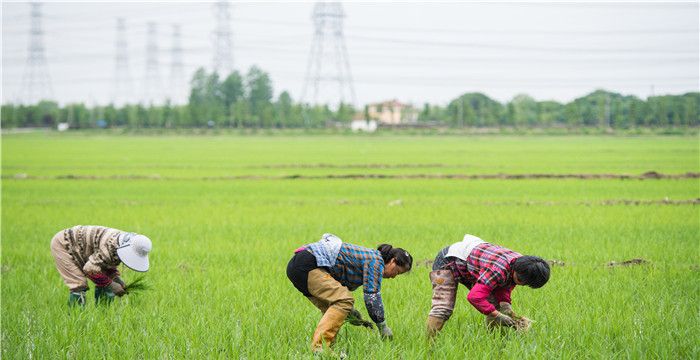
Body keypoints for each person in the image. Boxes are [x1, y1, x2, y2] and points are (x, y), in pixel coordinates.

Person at [286, 233, 412, 352]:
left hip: (296, 267)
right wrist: (382, 327)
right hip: (308, 264)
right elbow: (372, 297)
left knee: (333, 307)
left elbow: (336, 293)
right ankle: (319, 348)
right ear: (393, 261)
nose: (394, 276)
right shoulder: (376, 260)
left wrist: (351, 314)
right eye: (397, 271)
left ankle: (327, 350)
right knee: (344, 300)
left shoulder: (370, 259)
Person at [426, 234, 550, 337]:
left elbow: (505, 284)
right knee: (442, 307)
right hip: (448, 261)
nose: (521, 284)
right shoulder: (498, 269)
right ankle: (428, 349)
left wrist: (505, 305)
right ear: (516, 270)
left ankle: (493, 341)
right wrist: (496, 315)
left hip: (470, 267)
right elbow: (474, 297)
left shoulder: (522, 264)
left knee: (495, 305)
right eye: (520, 280)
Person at [50, 225, 152, 306]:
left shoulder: (124, 242)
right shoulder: (110, 247)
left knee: (105, 280)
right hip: (65, 244)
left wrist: (116, 278)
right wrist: (111, 284)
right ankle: (74, 318)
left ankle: (103, 315)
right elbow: (89, 270)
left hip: (83, 248)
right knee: (78, 285)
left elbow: (107, 264)